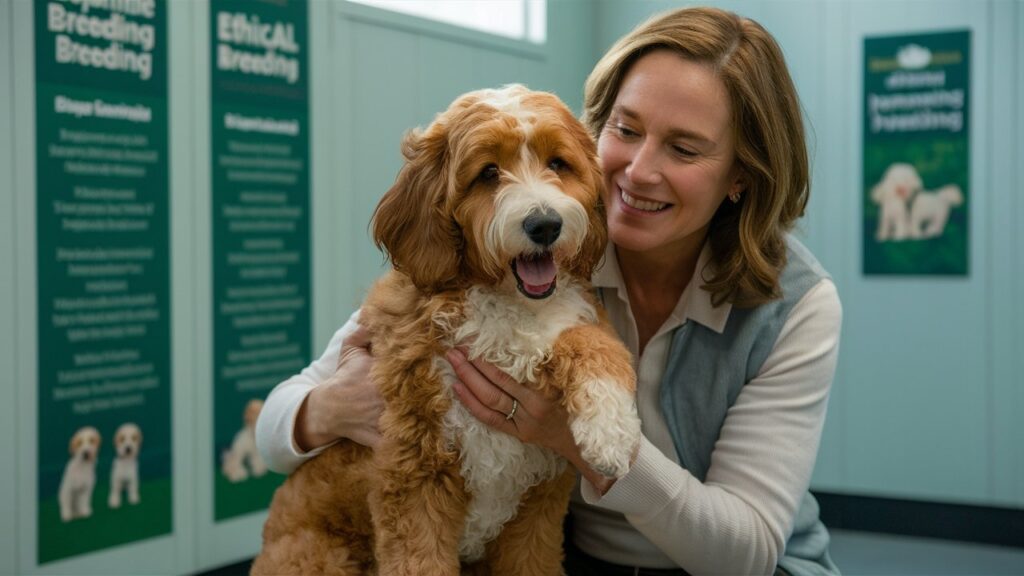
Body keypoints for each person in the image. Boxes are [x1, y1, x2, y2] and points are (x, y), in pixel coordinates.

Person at [256, 6, 842, 576]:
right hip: (579, 558)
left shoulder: (796, 305)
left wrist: (572, 440)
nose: (637, 171)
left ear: (743, 173)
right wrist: (331, 407)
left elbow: (745, 556)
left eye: (684, 148)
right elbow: (279, 421)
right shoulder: (531, 244)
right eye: (626, 129)